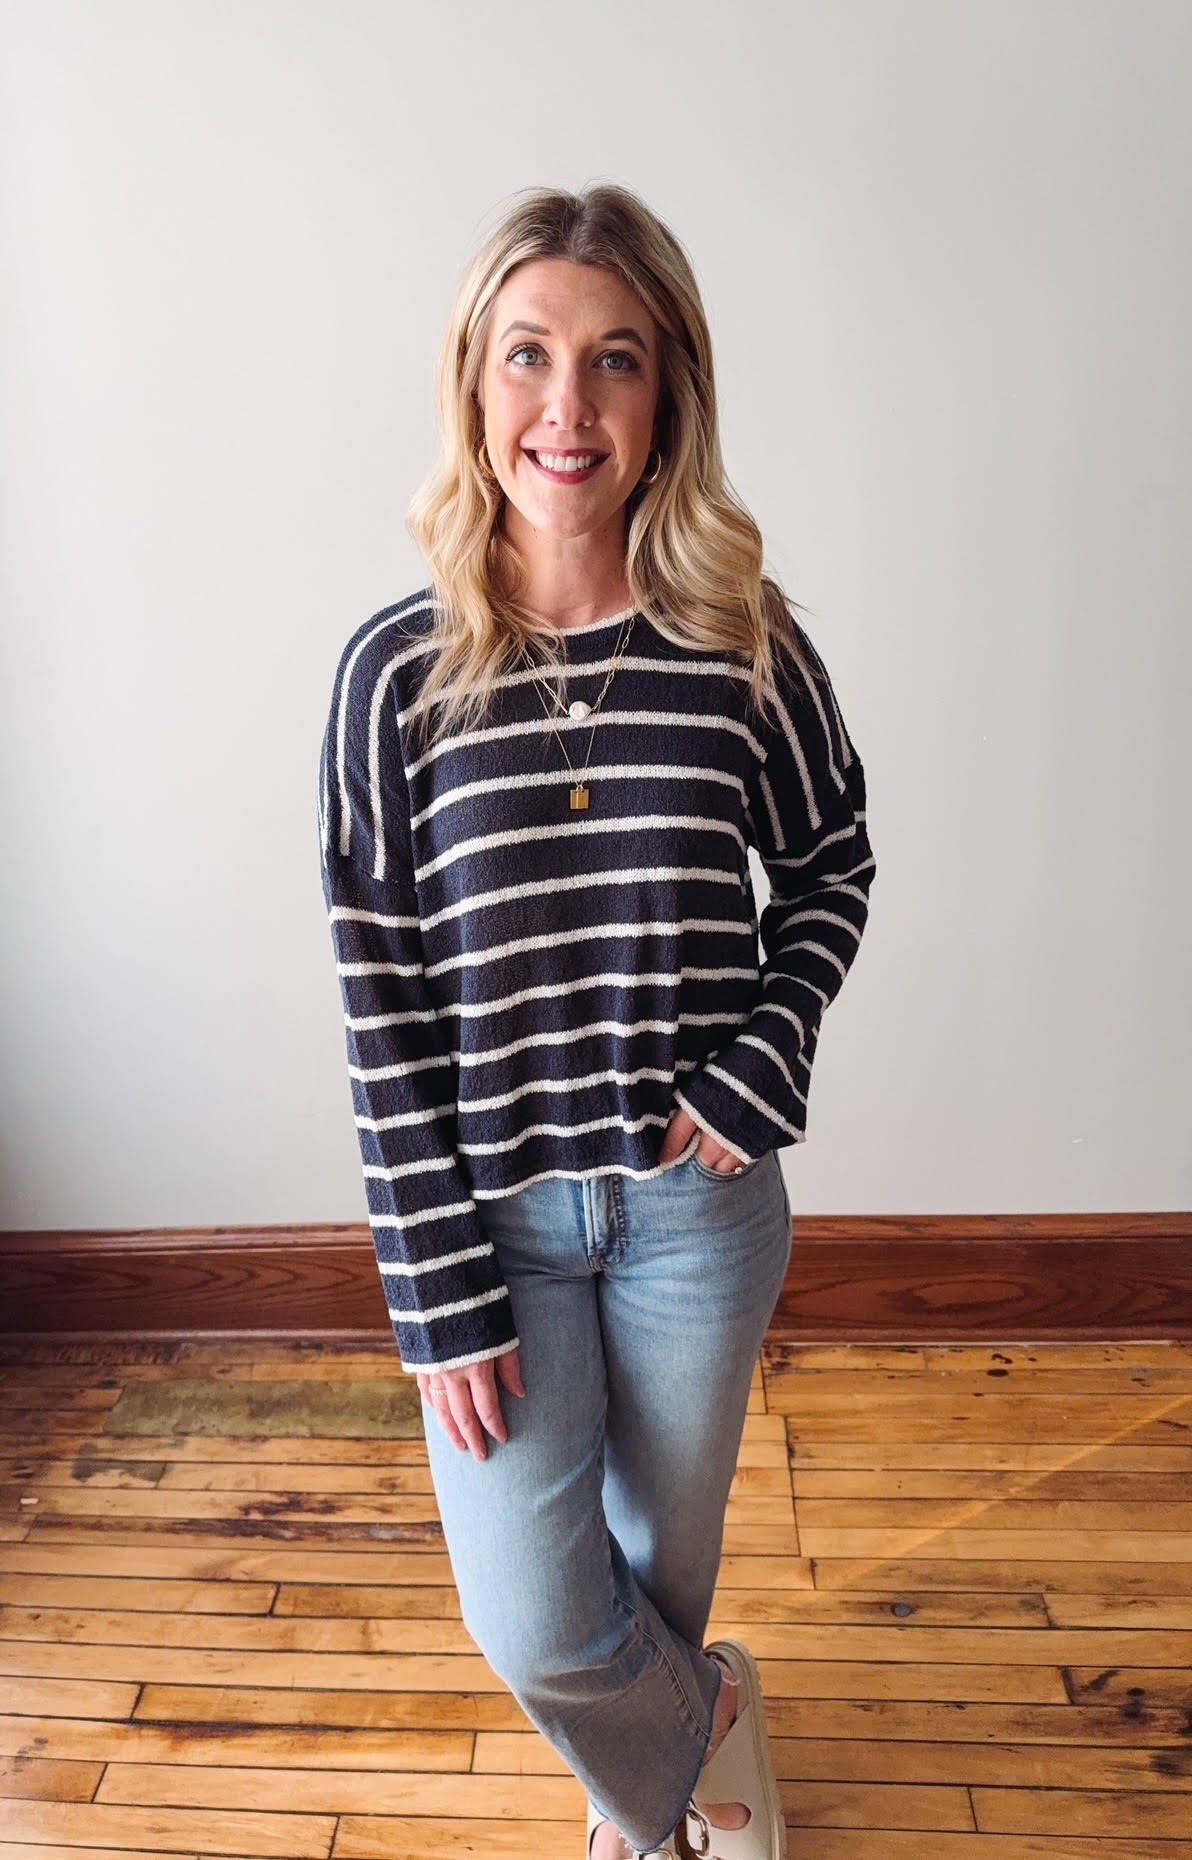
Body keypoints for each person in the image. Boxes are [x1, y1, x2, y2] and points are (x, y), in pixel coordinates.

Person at [317, 182, 877, 1860]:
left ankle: (647, 1813)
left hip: (697, 1213)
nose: (569, 408)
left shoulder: (740, 643)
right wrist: (431, 1287)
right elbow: (379, 998)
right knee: (543, 1615)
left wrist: (763, 1056)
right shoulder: (395, 677)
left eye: (616, 361)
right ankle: (697, 1733)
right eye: (530, 357)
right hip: (492, 1216)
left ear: (668, 397)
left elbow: (834, 861)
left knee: (666, 1560)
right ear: (474, 387)